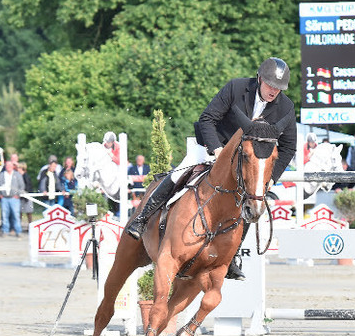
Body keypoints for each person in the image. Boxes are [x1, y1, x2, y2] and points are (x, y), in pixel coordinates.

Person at [125, 57, 297, 281]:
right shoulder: (236, 87)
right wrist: (217, 150)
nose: (274, 91)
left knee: (252, 198)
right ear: (259, 78)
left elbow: (289, 146)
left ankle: (232, 256)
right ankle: (142, 219)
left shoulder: (285, 107)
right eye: (270, 85)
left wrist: (271, 178)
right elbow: (207, 119)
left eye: (278, 88)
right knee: (178, 173)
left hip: (247, 162)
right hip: (212, 147)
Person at [0, 160, 24, 238]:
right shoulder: (2, 175)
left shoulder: (17, 174)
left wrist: (18, 195)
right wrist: (0, 195)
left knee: (16, 216)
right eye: (7, 165)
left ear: (13, 166)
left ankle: (18, 231)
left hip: (14, 199)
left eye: (10, 165)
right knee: (4, 216)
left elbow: (22, 186)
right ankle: (5, 231)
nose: (8, 167)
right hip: (4, 198)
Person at [18, 162, 35, 227]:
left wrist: (26, 195)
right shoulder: (19, 176)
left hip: (27, 197)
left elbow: (28, 186)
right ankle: (18, 227)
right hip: (21, 197)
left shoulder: (26, 176)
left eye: (19, 168)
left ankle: (30, 227)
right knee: (19, 213)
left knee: (29, 213)